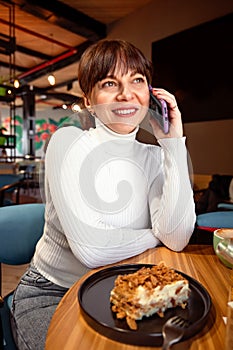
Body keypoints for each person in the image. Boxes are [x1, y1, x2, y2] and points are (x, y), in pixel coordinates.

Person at [11, 39, 196, 349]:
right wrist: (155, 233)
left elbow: (177, 237)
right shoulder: (67, 143)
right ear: (88, 100)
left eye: (137, 80)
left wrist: (173, 145)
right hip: (53, 292)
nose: (126, 93)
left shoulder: (153, 157)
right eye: (110, 83)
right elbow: (91, 250)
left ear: (149, 93)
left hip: (122, 290)